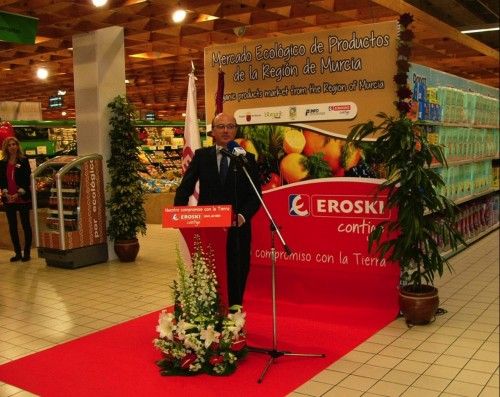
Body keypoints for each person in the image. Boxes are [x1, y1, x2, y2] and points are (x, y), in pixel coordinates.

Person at [174, 112, 261, 307]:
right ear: (212, 131)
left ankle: (234, 313)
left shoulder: (247, 158)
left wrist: (242, 216)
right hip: (208, 229)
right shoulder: (202, 156)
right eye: (221, 126)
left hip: (236, 229)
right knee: (209, 271)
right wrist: (177, 214)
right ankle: (210, 309)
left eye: (230, 126)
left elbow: (255, 196)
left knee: (237, 271)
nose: (226, 130)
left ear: (236, 130)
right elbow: (186, 187)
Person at [0, 136, 33, 262]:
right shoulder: (2, 163)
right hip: (9, 199)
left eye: (14, 144)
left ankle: (27, 253)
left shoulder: (23, 161)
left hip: (22, 197)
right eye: (10, 145)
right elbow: (2, 180)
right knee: (12, 227)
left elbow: (26, 179)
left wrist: (18, 194)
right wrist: (6, 192)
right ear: (6, 148)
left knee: (25, 225)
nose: (12, 147)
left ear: (17, 146)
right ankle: (18, 252)